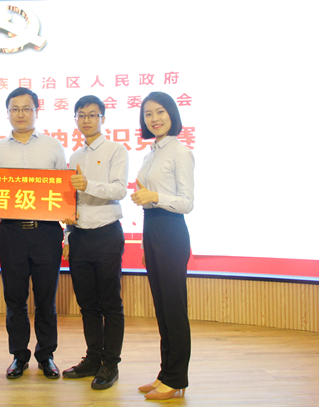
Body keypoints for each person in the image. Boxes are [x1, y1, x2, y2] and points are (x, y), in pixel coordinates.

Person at [0, 87, 67, 380]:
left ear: (36, 111)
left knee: (46, 300)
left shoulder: (53, 147)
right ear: (8, 113)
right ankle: (19, 356)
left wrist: (68, 231)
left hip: (46, 233)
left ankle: (46, 356)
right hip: (12, 233)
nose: (20, 114)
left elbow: (64, 191)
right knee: (15, 300)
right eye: (15, 109)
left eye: (26, 108)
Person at [61, 95, 129, 390]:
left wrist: (89, 185)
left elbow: (119, 190)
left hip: (106, 233)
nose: (86, 119)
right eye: (81, 115)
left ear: (103, 118)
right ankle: (93, 358)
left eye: (92, 114)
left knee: (110, 303)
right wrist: (67, 236)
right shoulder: (75, 156)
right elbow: (70, 201)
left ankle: (110, 363)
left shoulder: (116, 150)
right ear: (76, 119)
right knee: (87, 304)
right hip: (79, 236)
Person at [131, 91, 194, 400]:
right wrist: (147, 243)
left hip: (171, 231)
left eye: (160, 112)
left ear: (171, 114)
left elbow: (187, 203)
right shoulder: (151, 153)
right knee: (162, 308)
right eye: (148, 114)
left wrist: (154, 196)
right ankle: (165, 373)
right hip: (153, 229)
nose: (154, 118)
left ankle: (177, 378)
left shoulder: (180, 152)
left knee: (174, 309)